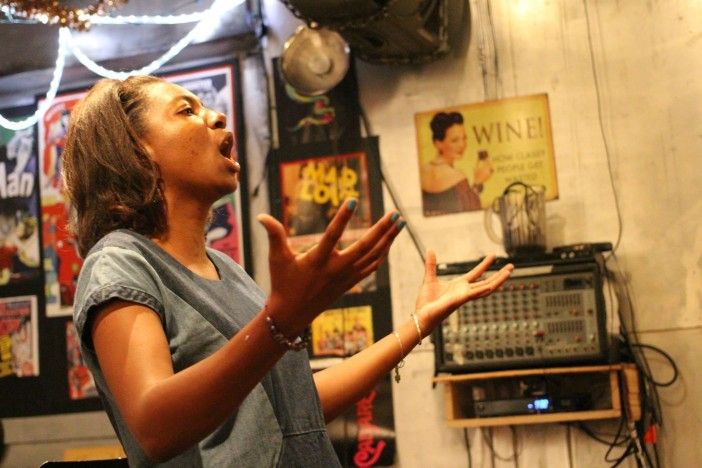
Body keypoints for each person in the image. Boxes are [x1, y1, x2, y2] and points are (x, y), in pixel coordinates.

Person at [62, 75, 513, 467]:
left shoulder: (227, 270)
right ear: (136, 150)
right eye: (187, 111)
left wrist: (415, 326)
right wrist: (280, 324)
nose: (218, 117)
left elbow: (292, 409)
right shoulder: (119, 262)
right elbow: (154, 427)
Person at [419, 111, 494, 216]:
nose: (462, 145)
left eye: (464, 138)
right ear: (438, 143)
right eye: (455, 140)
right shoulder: (457, 176)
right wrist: (478, 182)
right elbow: (471, 210)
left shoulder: (422, 171)